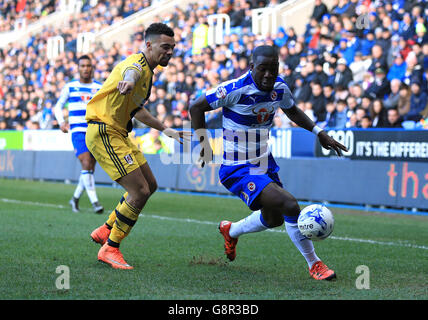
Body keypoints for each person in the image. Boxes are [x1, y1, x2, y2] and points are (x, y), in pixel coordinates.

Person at [189, 45, 347, 281]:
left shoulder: (280, 87)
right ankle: (315, 264)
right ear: (252, 67)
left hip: (263, 163)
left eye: (273, 69)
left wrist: (319, 132)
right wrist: (203, 145)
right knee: (290, 204)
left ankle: (230, 230)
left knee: (273, 219)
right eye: (262, 69)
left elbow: (292, 111)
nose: (268, 75)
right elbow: (196, 107)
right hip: (237, 167)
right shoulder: (235, 89)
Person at [85, 23, 190, 270]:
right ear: (149, 45)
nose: (169, 52)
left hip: (119, 132)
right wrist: (129, 82)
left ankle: (106, 229)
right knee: (139, 191)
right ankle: (110, 248)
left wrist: (167, 130)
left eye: (173, 48)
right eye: (165, 47)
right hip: (104, 130)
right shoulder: (136, 66)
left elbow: (137, 110)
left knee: (150, 185)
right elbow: (129, 73)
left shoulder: (149, 74)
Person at [54, 55, 104, 214]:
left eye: (88, 65)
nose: (85, 68)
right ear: (78, 68)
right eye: (82, 65)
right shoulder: (70, 87)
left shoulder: (99, 87)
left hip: (95, 131)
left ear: (92, 68)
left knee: (89, 168)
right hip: (78, 131)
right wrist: (61, 121)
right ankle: (95, 203)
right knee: (86, 162)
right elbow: (58, 106)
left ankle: (74, 199)